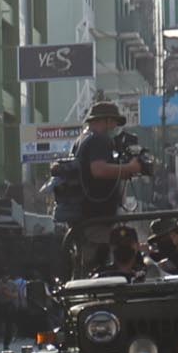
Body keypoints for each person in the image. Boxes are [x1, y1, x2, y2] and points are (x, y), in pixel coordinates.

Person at [56, 100, 143, 272]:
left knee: (87, 265)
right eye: (114, 123)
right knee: (98, 268)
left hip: (85, 216)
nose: (115, 128)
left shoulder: (82, 140)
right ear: (107, 121)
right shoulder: (99, 140)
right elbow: (98, 170)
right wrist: (130, 168)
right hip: (95, 219)